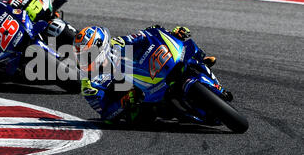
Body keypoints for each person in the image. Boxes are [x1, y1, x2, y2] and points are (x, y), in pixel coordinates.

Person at [73, 25, 217, 124]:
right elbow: (106, 116)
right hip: (139, 107)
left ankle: (200, 62)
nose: (84, 59)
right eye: (82, 56)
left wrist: (170, 33)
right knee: (151, 113)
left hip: (153, 75)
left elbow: (146, 35)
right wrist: (124, 101)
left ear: (100, 45)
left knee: (187, 51)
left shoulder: (117, 43)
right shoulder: (90, 83)